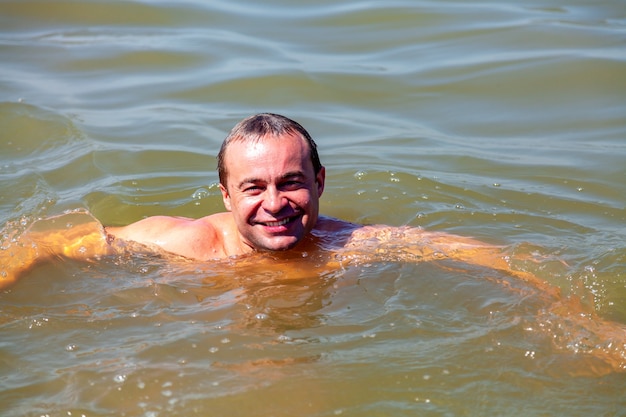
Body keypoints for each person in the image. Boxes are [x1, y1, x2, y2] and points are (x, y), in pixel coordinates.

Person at [1, 113, 624, 373]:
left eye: (292, 182)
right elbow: (54, 240)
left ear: (320, 182)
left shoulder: (356, 246)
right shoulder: (180, 244)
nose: (275, 203)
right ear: (224, 194)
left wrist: (580, 319)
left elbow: (500, 258)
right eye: (254, 187)